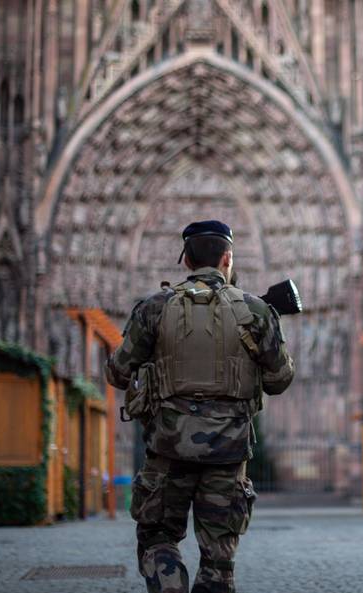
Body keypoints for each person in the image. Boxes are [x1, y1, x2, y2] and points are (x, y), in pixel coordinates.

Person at [106, 220, 294, 593]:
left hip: (167, 448)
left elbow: (117, 372)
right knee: (218, 561)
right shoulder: (256, 311)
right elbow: (280, 379)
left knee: (158, 539)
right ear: (228, 258)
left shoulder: (154, 307)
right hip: (228, 451)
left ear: (186, 261)